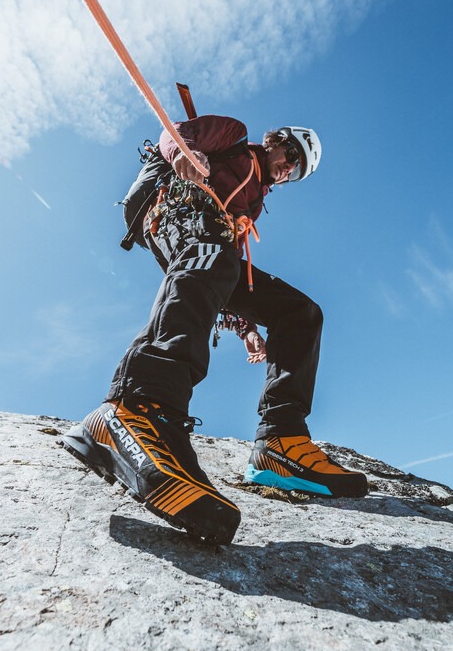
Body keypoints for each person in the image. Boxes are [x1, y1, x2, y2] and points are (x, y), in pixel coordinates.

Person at [61, 115, 367, 545]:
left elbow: (224, 270)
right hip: (171, 206)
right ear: (276, 140)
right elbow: (176, 134)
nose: (288, 169)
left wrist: (245, 326)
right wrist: (191, 156)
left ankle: (281, 442)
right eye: (292, 155)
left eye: (297, 172)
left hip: (208, 239)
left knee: (300, 312)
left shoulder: (255, 199)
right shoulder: (235, 137)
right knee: (213, 249)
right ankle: (139, 407)